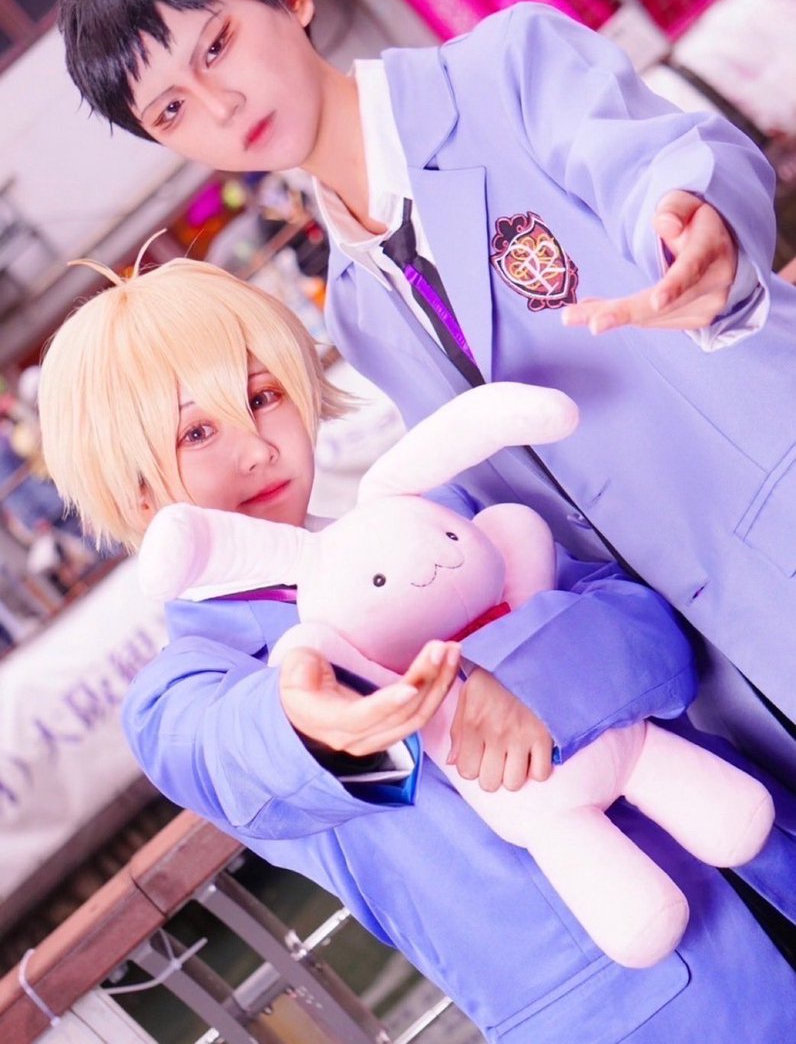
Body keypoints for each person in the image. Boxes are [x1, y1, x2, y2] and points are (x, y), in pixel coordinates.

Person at [55, 0, 796, 796]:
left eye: (217, 46)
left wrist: (695, 224)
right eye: (173, 109)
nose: (221, 105)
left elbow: (658, 162)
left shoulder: (506, 69)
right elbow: (530, 518)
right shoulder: (356, 309)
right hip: (730, 686)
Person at [37, 254, 796, 1041]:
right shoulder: (183, 693)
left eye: (263, 397)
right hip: (651, 1012)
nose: (256, 449)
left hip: (769, 860)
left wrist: (515, 682)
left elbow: (652, 633)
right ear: (132, 484)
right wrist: (310, 719)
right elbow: (233, 751)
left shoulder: (436, 517)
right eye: (197, 432)